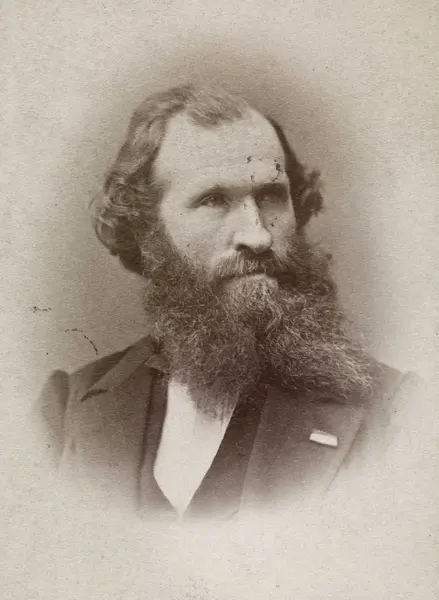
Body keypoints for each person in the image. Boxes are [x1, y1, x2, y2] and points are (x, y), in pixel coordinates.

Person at [38, 84, 422, 521]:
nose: (257, 236)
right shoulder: (64, 413)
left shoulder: (398, 415)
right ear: (147, 231)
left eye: (271, 196)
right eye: (213, 200)